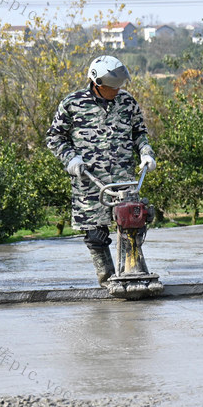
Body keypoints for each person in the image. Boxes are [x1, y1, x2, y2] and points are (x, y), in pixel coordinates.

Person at [46, 55, 157, 286]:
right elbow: (55, 137)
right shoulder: (73, 104)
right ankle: (107, 279)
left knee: (131, 227)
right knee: (96, 236)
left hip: (123, 179)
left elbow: (139, 133)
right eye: (112, 87)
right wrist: (70, 158)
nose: (116, 91)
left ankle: (132, 275)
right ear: (96, 83)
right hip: (90, 181)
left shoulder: (127, 102)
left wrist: (146, 152)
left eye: (119, 86)